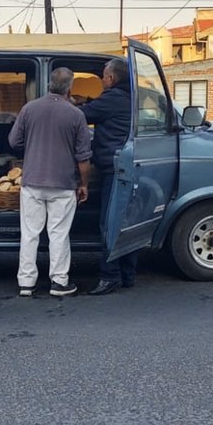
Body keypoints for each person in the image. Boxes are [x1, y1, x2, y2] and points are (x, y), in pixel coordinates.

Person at [8, 67, 92, 298]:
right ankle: (59, 282)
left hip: (32, 181)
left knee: (30, 233)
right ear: (70, 87)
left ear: (49, 85)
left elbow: (14, 141)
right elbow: (83, 158)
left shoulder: (29, 109)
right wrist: (83, 184)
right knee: (58, 234)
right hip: (63, 185)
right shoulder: (76, 114)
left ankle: (26, 283)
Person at [77, 58, 138, 296]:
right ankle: (127, 275)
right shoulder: (129, 97)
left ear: (111, 79)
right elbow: (99, 108)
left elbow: (82, 116)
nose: (102, 80)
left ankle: (110, 276)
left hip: (115, 169)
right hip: (126, 166)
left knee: (109, 224)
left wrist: (69, 105)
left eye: (103, 76)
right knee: (125, 222)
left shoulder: (112, 98)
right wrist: (88, 101)